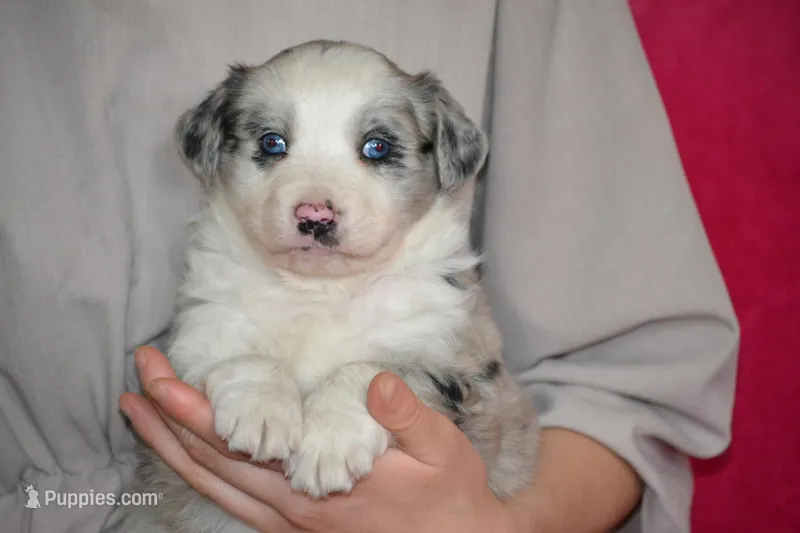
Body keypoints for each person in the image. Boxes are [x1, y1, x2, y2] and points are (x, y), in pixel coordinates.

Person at [0, 1, 739, 532]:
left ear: (442, 159)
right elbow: (207, 351)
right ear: (214, 152)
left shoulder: (433, 295)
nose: (316, 203)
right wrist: (243, 376)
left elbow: (457, 392)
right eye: (274, 146)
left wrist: (359, 398)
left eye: (377, 149)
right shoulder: (224, 273)